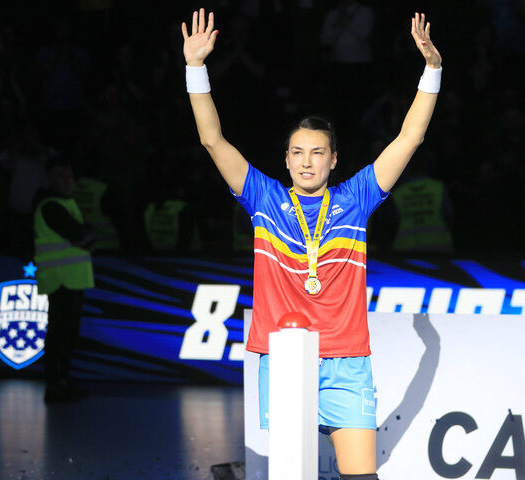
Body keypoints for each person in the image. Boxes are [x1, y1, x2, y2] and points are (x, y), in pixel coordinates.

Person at [181, 9, 441, 478]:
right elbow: (212, 140)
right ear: (285, 160)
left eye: (317, 152)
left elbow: (410, 137)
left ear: (333, 160)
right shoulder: (263, 198)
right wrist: (195, 68)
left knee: (361, 476)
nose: (306, 162)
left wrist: (432, 70)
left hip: (347, 361)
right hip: (284, 362)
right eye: (298, 153)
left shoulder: (356, 199)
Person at [32, 155, 95, 402]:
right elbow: (79, 234)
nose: (69, 181)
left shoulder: (66, 204)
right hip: (59, 280)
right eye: (62, 176)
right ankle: (54, 384)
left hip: (72, 279)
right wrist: (84, 236)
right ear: (49, 178)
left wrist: (84, 236)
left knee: (68, 334)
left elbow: (86, 236)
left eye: (70, 176)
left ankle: (62, 381)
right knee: (59, 334)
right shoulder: (50, 205)